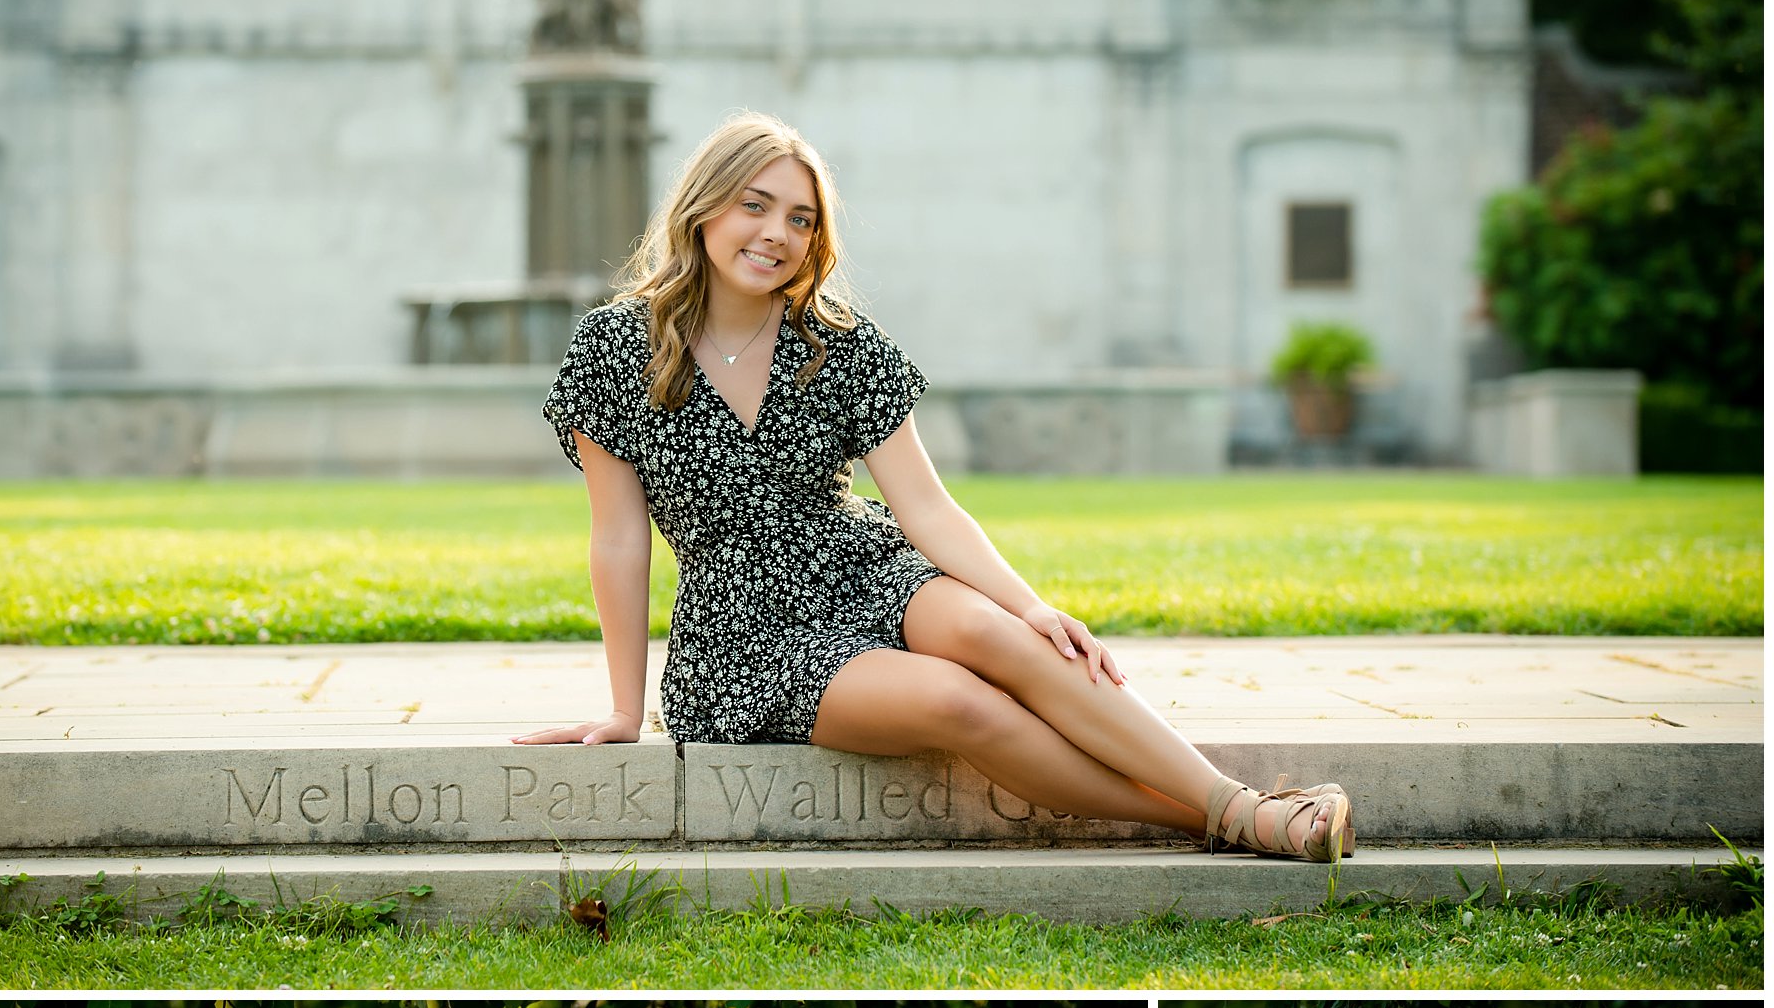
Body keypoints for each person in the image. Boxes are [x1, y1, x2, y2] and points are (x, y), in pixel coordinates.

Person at [521, 111, 1352, 862]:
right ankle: (1220, 819)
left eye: (801, 219)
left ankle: (1240, 807)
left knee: (1007, 639)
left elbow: (925, 505)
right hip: (746, 636)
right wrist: (624, 709)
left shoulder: (840, 343)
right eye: (755, 206)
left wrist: (1033, 608)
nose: (777, 233)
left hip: (864, 564)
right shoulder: (614, 349)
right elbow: (619, 538)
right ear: (703, 207)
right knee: (961, 702)